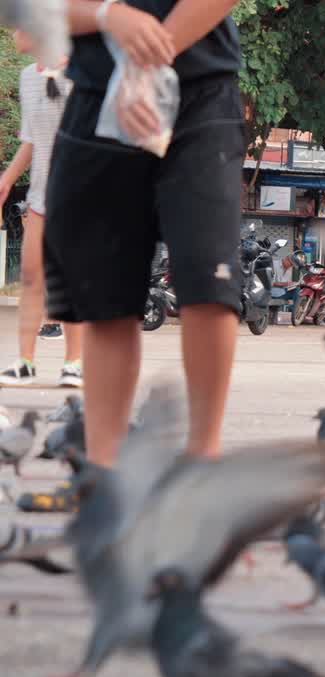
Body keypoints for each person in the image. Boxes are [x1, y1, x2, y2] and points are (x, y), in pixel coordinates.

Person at [44, 0, 245, 468]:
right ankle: (105, 477)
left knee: (208, 277)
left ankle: (203, 466)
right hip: (96, 96)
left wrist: (149, 61)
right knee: (105, 299)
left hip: (202, 94)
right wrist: (107, 15)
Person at [0, 30, 83, 387]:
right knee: (32, 277)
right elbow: (31, 140)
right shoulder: (26, 77)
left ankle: (74, 364)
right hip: (40, 196)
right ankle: (25, 362)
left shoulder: (77, 72)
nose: (14, 31)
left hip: (77, 193)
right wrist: (6, 179)